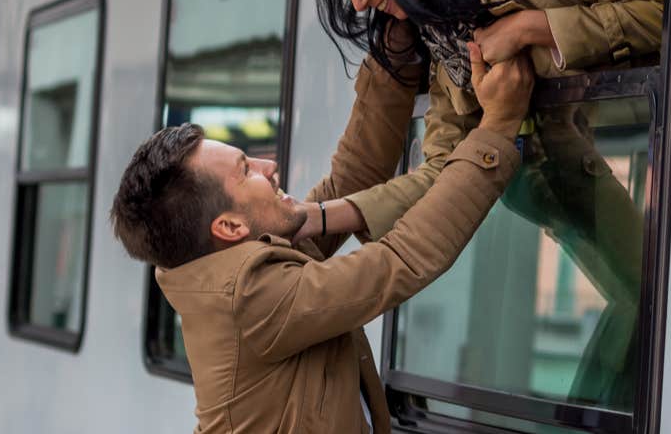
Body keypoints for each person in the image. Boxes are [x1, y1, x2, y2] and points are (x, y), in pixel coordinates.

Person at [293, 0, 662, 408]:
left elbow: (663, 11)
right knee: (640, 299)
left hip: (575, 170)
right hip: (539, 190)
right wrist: (317, 218)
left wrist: (534, 26)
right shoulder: (435, 21)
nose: (358, 4)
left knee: (645, 300)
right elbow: (442, 172)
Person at [109, 45, 533, 434]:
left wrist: (394, 56)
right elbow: (399, 262)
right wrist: (496, 129)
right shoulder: (253, 297)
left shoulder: (240, 260)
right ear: (230, 227)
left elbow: (351, 179)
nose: (268, 165)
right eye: (245, 170)